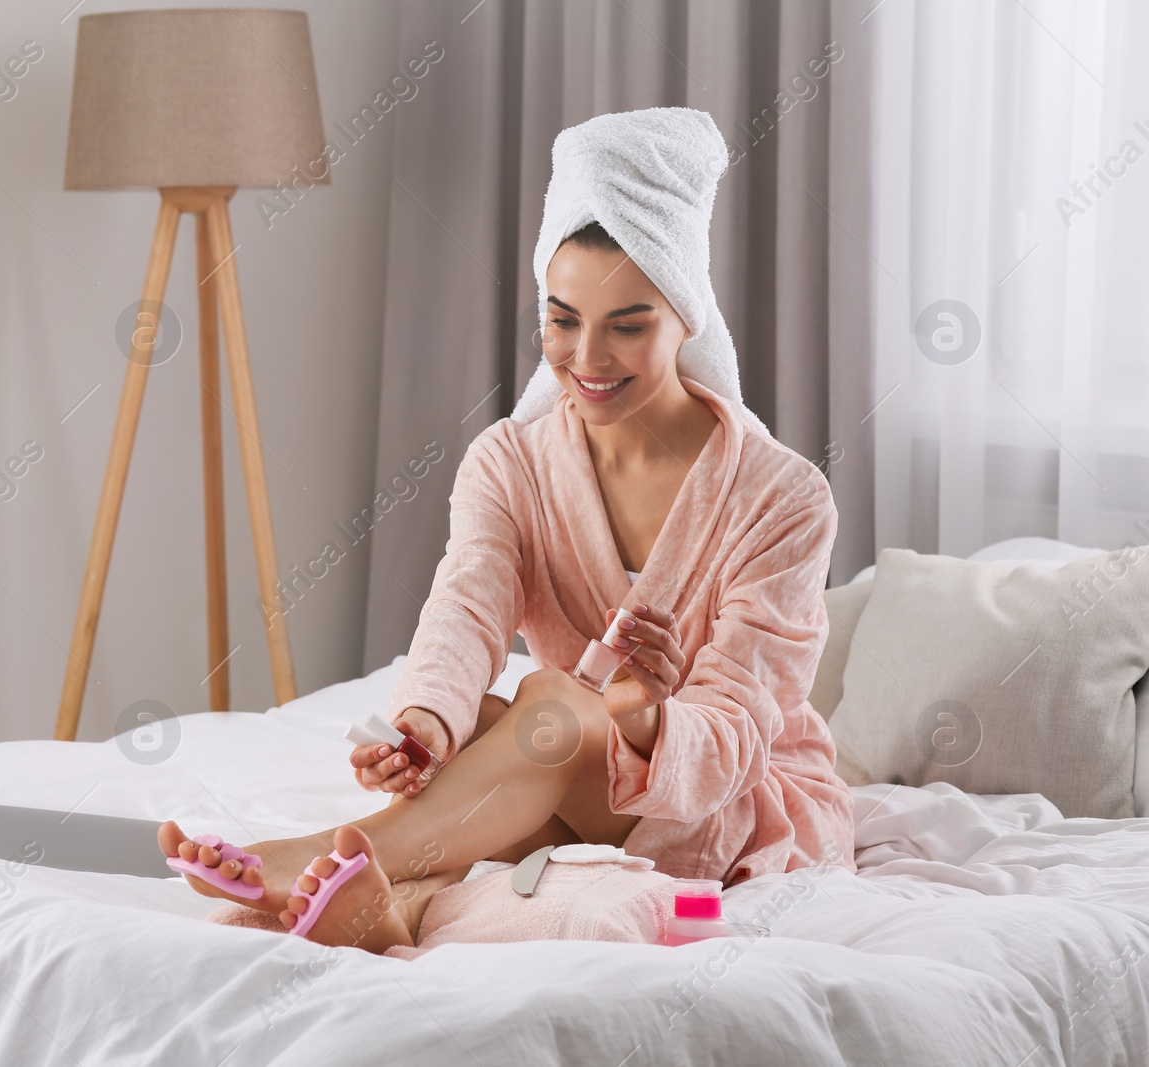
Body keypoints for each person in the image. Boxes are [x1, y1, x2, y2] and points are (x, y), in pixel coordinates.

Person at [158, 108, 855, 955]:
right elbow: (467, 605)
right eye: (562, 320)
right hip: (567, 764)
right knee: (493, 728)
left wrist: (639, 720)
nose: (586, 359)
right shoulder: (510, 462)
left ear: (687, 316)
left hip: (730, 805)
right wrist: (425, 724)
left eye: (627, 325)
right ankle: (386, 908)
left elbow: (740, 728)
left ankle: (323, 852)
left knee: (549, 706)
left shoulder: (782, 497)